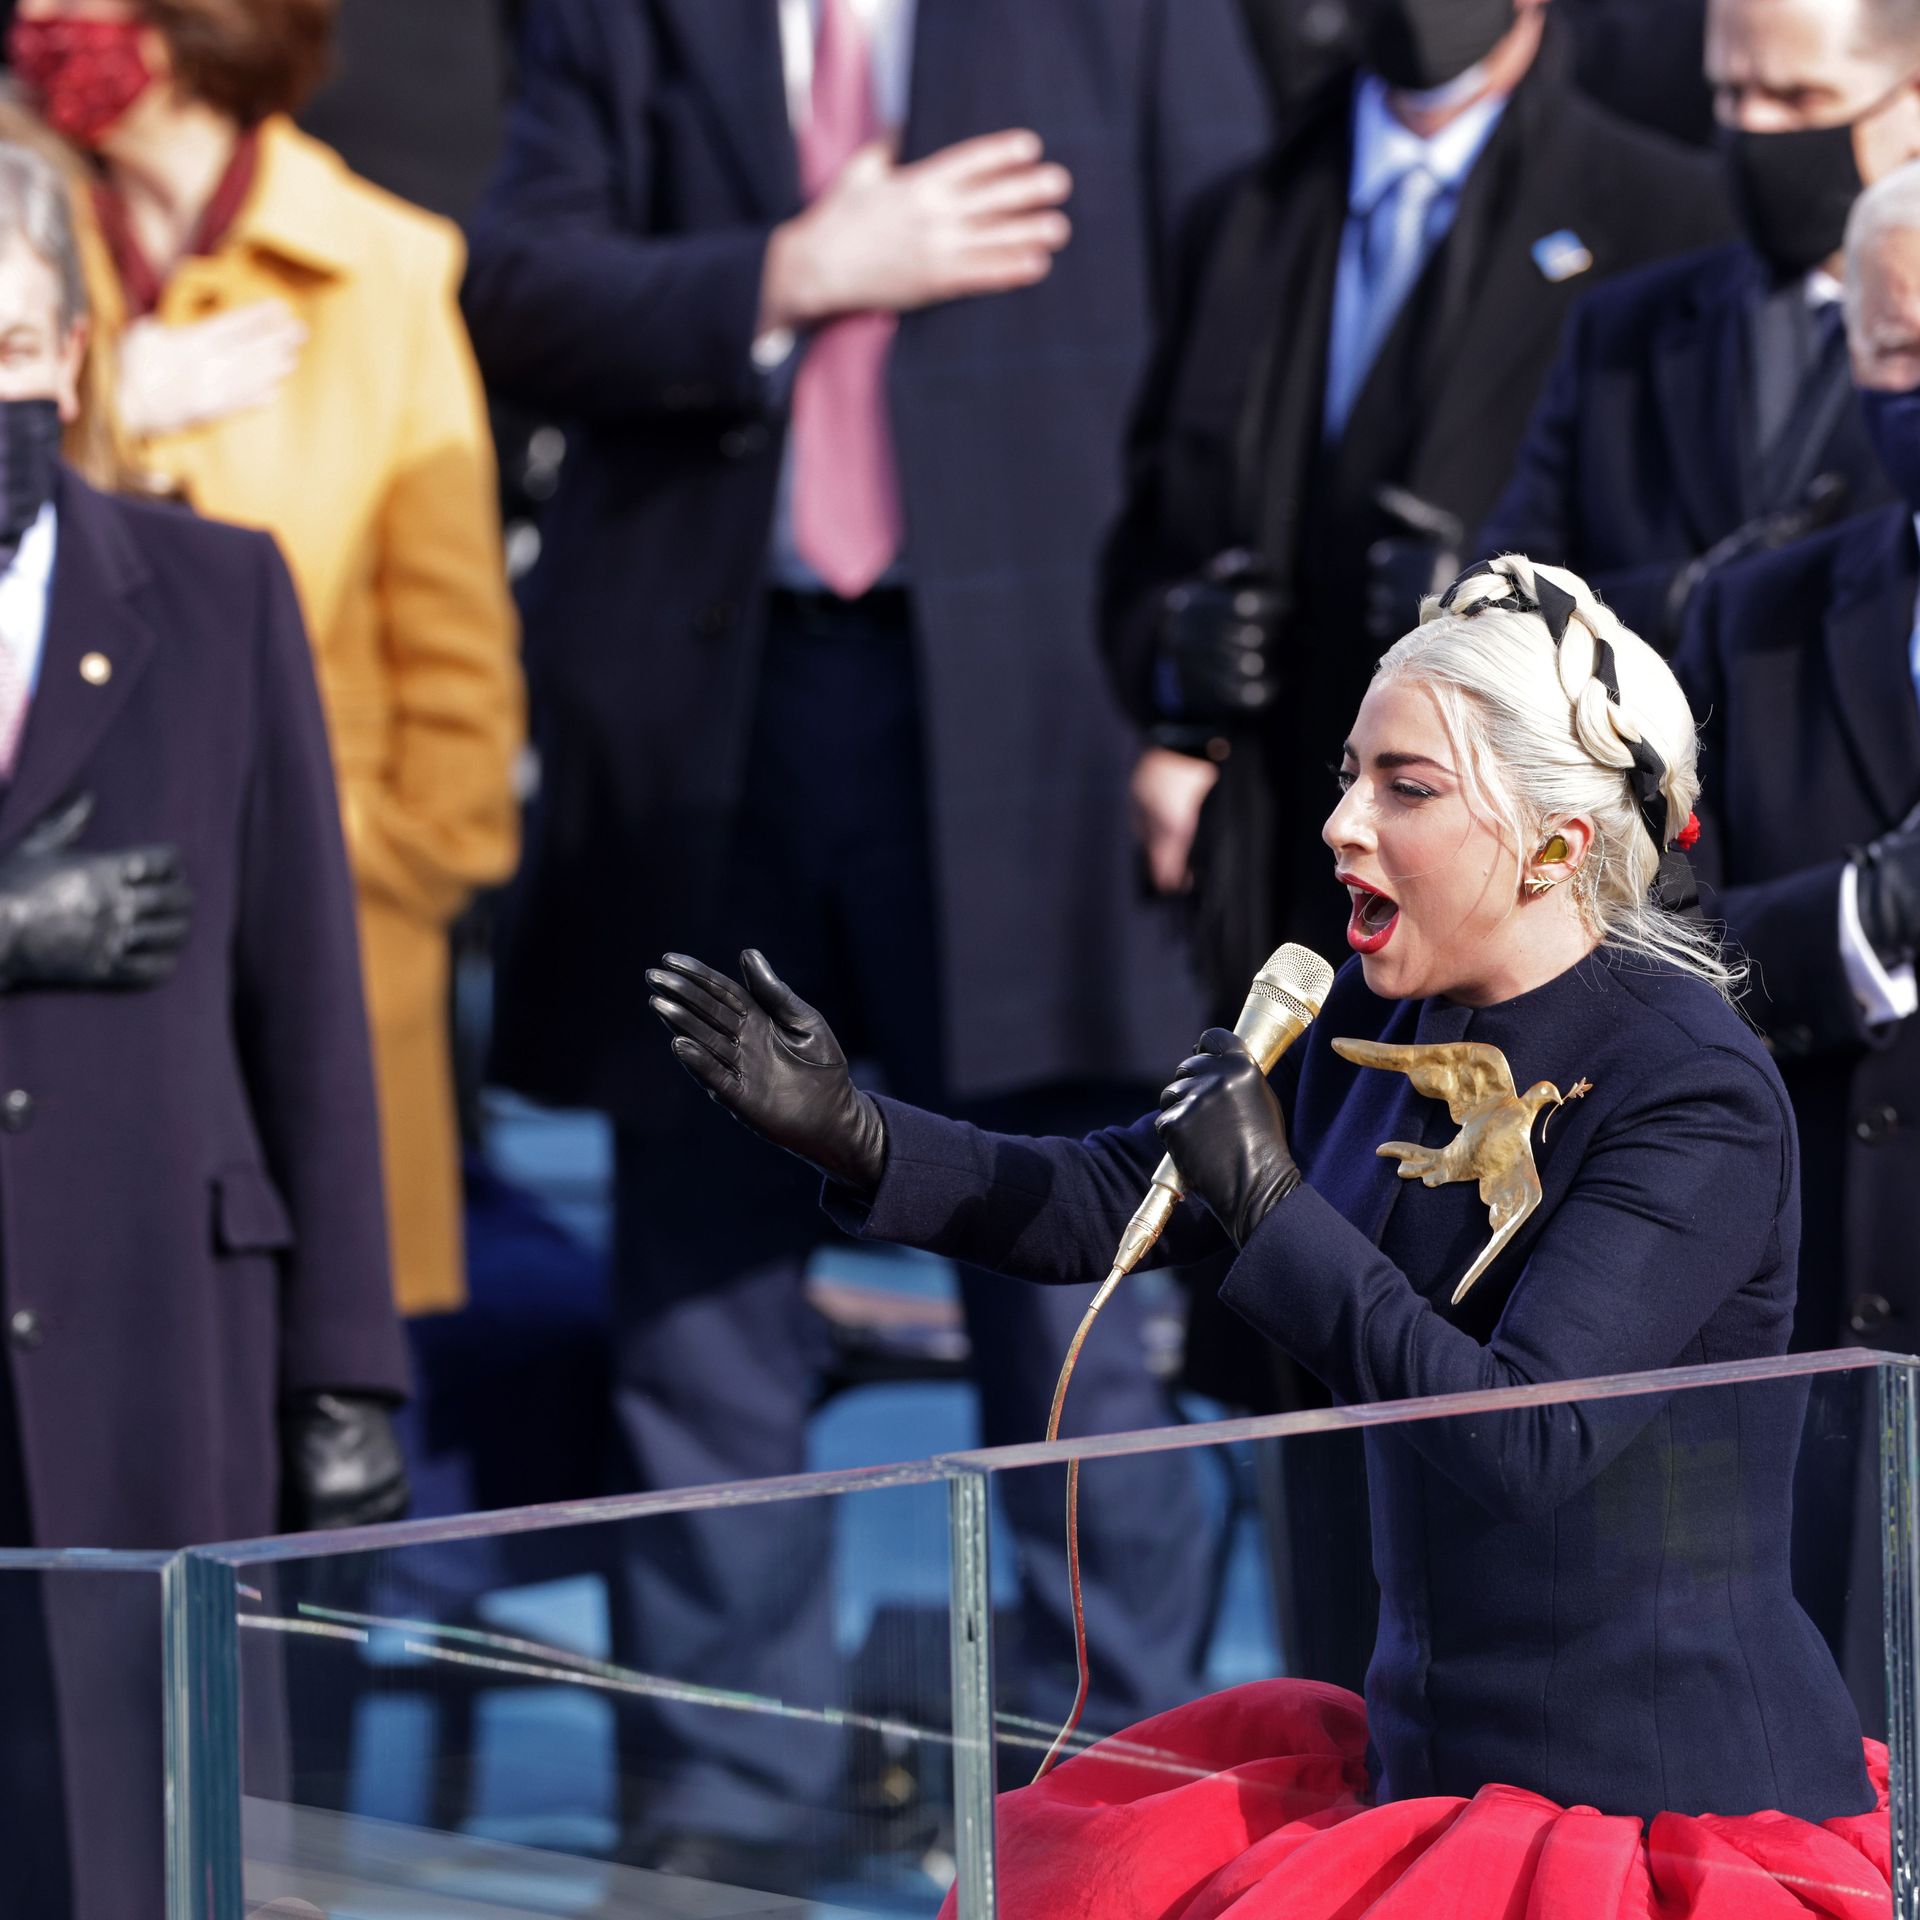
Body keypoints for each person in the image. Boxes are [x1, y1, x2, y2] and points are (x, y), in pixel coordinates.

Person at [649, 554, 1890, 1918]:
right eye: (1349, 775)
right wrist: (854, 1132)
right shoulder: (1376, 1025)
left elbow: (1526, 1442)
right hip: (1435, 1773)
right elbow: (1103, 1197)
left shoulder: (1689, 1084)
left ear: (1554, 842)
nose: (1342, 825)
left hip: (1659, 1816)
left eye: (1404, 789)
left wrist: (1276, 1213)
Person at [462, 0, 1266, 1876]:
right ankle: (722, 1825)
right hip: (708, 719)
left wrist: (1194, 713)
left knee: (1070, 1293)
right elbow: (511, 290)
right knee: (700, 1305)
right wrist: (797, 268)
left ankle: (1126, 1811)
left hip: (1037, 722)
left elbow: (1240, 315)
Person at [1101, 0, 1727, 1688]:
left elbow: (1697, 601)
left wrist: (1504, 606)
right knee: (1316, 1503)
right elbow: (1142, 535)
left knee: (1495, 1451)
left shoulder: (1662, 204)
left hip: (1527, 935)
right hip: (1317, 939)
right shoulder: (1254, 204)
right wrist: (1177, 644)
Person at [0, 138, 407, 1920]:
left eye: (9, 346)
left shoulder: (219, 596)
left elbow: (308, 1001)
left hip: (162, 1330)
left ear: (75, 357)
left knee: (150, 1838)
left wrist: (346, 1368)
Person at [6, 0, 525, 1322]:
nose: (40, 24)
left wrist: (369, 869)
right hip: (53, 940)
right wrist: (113, 413)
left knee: (324, 1382)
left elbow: (455, 655)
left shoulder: (383, 269)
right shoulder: (24, 245)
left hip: (324, 937)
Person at [1674, 160, 1920, 1358]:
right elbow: (1656, 959)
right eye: (1902, 351)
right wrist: (1857, 920)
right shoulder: (1754, 621)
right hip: (1817, 1348)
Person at [1482, 0, 1920, 649]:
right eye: (1729, 92)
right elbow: (1508, 601)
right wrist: (1679, 600)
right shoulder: (1623, 331)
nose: (1753, 124)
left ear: (1911, 100)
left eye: (1798, 97)